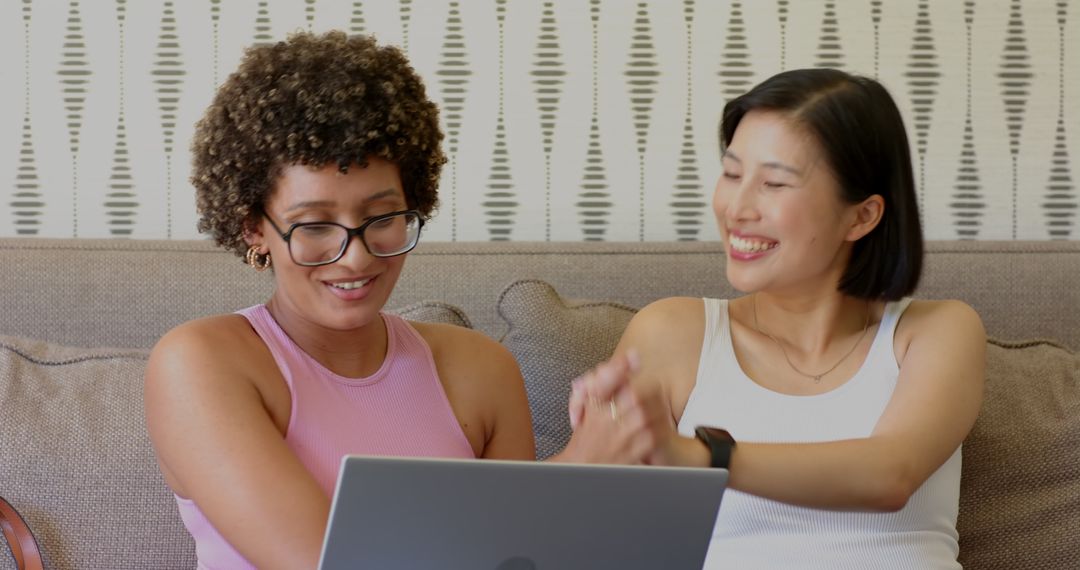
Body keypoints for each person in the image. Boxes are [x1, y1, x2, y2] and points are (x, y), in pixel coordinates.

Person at [144, 31, 640, 570]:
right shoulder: (201, 363)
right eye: (314, 225)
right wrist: (568, 478)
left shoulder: (482, 371)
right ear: (253, 228)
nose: (355, 258)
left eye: (382, 217)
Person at [571, 68, 985, 569]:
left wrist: (699, 457)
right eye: (731, 173)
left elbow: (889, 474)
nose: (737, 207)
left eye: (773, 182)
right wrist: (594, 448)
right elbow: (559, 513)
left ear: (862, 216)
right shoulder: (675, 332)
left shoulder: (937, 332)